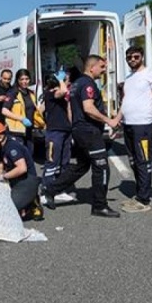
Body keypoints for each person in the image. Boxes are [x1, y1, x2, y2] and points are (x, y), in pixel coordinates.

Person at [46, 55, 121, 217]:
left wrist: (74, 128)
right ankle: (100, 206)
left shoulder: (76, 83)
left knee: (81, 166)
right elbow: (88, 108)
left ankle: (50, 189)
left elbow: (72, 109)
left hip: (80, 130)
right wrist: (109, 121)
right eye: (102, 67)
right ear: (91, 67)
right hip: (89, 132)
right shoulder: (87, 84)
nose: (104, 70)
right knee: (101, 167)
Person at [118, 45, 152, 213]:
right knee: (133, 161)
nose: (132, 60)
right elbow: (125, 102)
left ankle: (144, 200)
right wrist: (117, 120)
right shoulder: (129, 78)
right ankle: (140, 193)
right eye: (129, 57)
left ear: (142, 57)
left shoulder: (151, 75)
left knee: (143, 161)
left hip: (143, 126)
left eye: (136, 57)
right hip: (128, 124)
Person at [0, 120, 43, 221]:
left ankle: (33, 203)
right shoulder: (3, 147)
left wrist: (4, 176)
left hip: (27, 181)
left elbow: (22, 168)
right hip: (16, 181)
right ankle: (23, 205)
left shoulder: (12, 147)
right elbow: (0, 166)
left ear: (0, 137)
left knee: (9, 210)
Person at [38, 69, 77, 206]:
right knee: (52, 163)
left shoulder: (61, 97)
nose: (69, 82)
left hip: (65, 131)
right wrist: (61, 79)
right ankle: (46, 190)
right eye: (67, 80)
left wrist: (72, 129)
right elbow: (64, 91)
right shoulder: (50, 94)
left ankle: (59, 189)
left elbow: (68, 110)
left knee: (64, 162)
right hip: (54, 133)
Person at [1, 68, 38, 156]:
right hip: (16, 131)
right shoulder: (13, 93)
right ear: (17, 80)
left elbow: (35, 109)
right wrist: (22, 119)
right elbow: (4, 110)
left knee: (29, 156)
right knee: (18, 158)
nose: (24, 81)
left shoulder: (31, 93)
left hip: (29, 130)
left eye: (26, 79)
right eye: (22, 79)